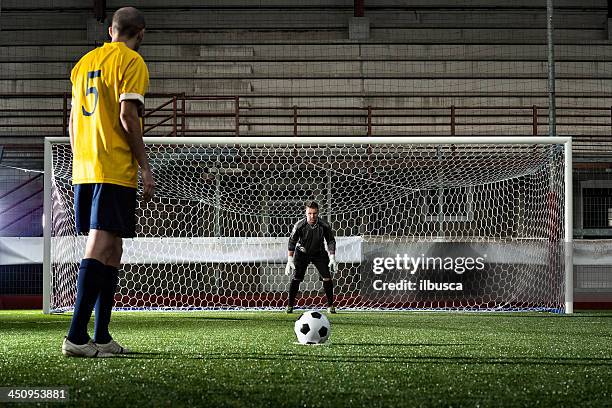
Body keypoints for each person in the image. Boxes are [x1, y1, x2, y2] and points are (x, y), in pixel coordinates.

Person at [62, 6, 154, 357]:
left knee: (113, 250)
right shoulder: (131, 62)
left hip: (85, 168)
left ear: (112, 29)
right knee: (100, 246)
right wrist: (145, 166)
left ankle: (101, 336)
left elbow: (71, 123)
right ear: (140, 33)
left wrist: (81, 158)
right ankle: (75, 336)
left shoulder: (83, 64)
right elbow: (127, 116)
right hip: (112, 167)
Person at [285, 201, 337, 314]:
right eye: (309, 213)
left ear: (318, 213)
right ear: (306, 213)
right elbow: (292, 242)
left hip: (319, 253)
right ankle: (290, 306)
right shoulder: (299, 225)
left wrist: (332, 257)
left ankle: (330, 306)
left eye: (314, 213)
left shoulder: (324, 225)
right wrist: (290, 259)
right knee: (296, 278)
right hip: (302, 253)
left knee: (327, 277)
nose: (312, 216)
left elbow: (331, 240)